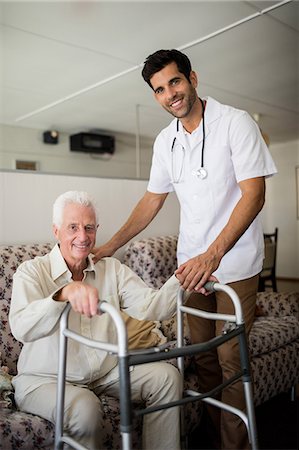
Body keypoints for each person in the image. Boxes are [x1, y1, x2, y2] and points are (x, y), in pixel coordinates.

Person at [92, 49, 277, 449]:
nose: (169, 94)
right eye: (159, 89)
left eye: (174, 82)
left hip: (235, 262)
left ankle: (235, 446)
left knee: (230, 359)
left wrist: (214, 253)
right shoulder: (165, 142)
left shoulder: (235, 123)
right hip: (191, 266)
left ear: (192, 78)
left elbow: (254, 194)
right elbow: (151, 201)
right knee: (202, 358)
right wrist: (108, 246)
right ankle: (213, 434)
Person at [9, 190, 183, 450]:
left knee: (168, 378)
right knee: (86, 409)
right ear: (56, 230)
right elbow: (21, 327)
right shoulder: (32, 271)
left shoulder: (111, 268)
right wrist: (63, 294)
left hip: (105, 373)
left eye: (89, 228)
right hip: (45, 379)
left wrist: (184, 280)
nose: (82, 236)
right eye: (73, 227)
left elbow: (152, 308)